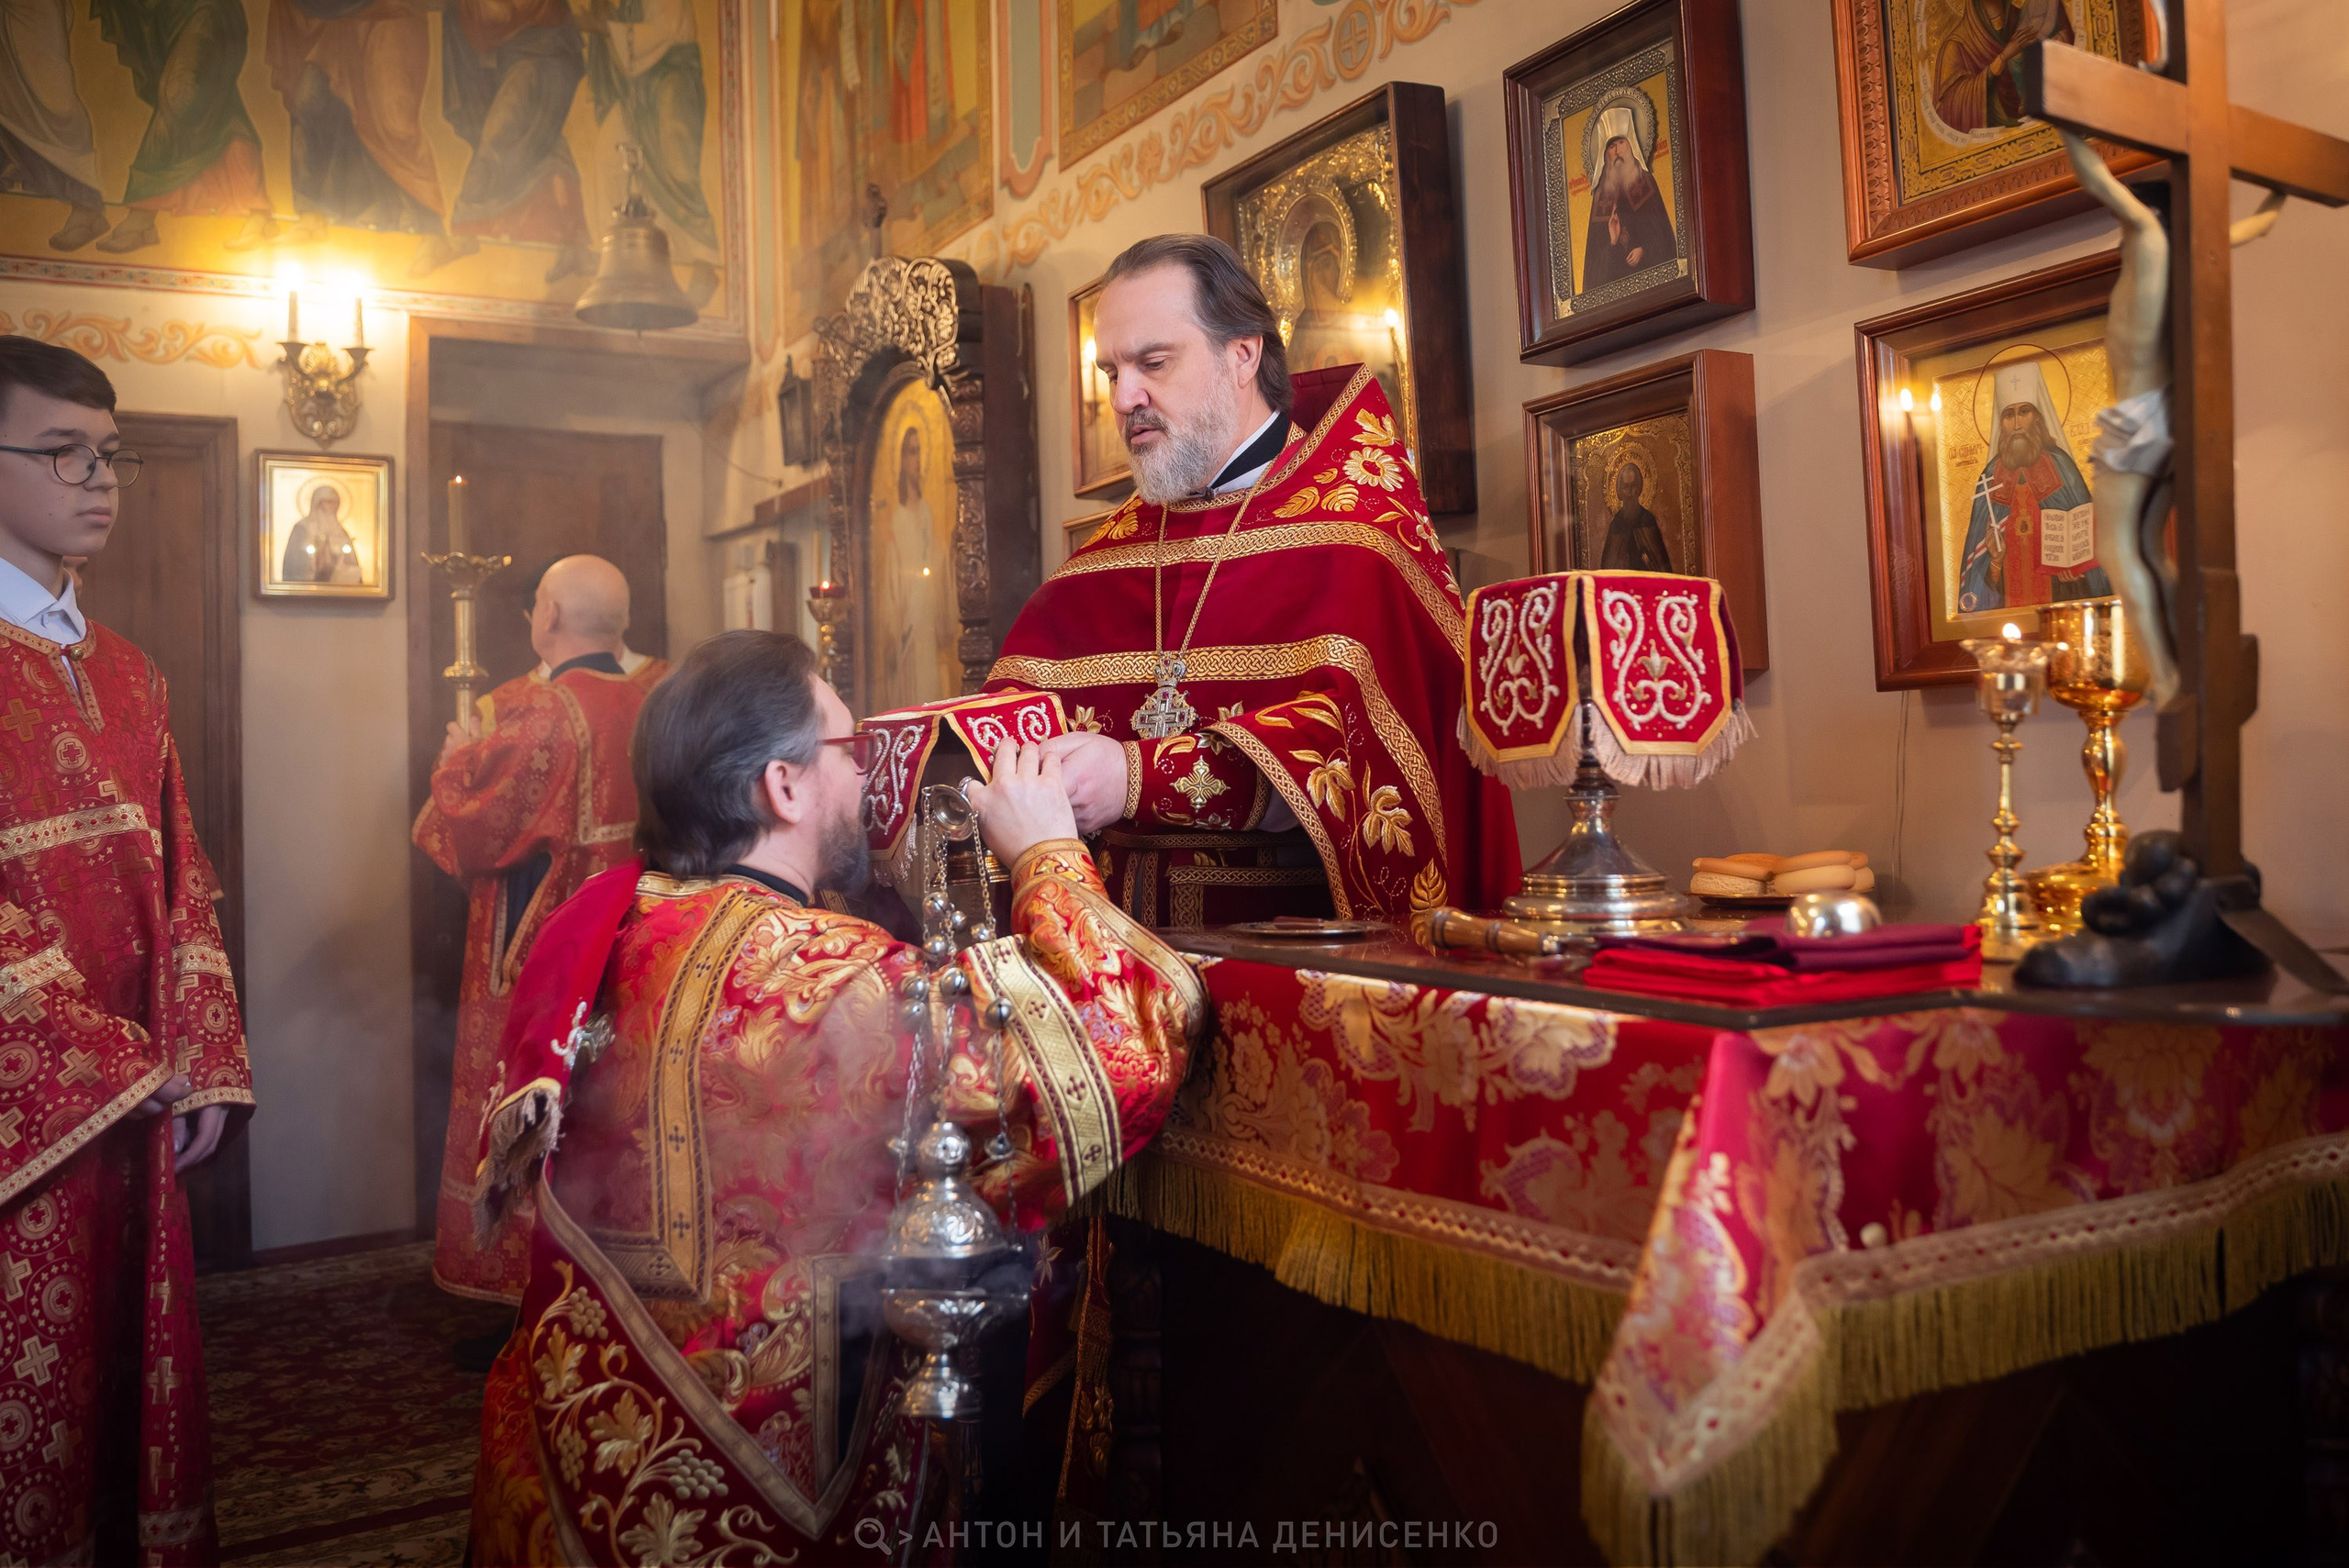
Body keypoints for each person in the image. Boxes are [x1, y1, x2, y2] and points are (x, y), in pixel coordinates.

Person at [464, 630, 1205, 1562]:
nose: (867, 783)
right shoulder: (839, 977)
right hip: (761, 1502)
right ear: (782, 785)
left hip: (566, 1483)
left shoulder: (612, 930)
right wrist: (1049, 852)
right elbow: (1116, 1050)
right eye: (849, 753)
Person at [985, 233, 1520, 929]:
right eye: (1109, 370)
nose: (1123, 397)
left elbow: (1358, 757)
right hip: (1109, 985)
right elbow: (1003, 725)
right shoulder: (1096, 566)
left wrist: (1136, 777)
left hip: (1303, 989)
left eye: (1152, 362)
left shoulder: (1358, 539)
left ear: (1243, 354)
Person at [0, 336, 251, 1563]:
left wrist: (196, 1054)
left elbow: (179, 876)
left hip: (137, 1096)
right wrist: (104, 1061)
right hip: (28, 1116)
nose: (96, 479)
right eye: (60, 452)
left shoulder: (132, 672)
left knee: (114, 1396)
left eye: (110, 455)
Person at [413, 555, 667, 1314]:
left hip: (547, 954)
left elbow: (472, 825)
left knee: (535, 1101)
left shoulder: (546, 713)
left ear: (548, 615)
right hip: (643, 941)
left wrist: (458, 757)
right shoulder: (662, 694)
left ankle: (521, 1286)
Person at [1957, 359, 2110, 614]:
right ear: (2001, 423)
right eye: (2009, 414)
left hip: (2060, 607)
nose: (2016, 423)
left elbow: (2093, 552)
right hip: (2008, 614)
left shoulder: (2061, 466)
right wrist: (1995, 562)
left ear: (2037, 417)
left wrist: (2077, 570)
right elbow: (1976, 575)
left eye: (2024, 411)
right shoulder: (1990, 476)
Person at [1583, 123, 1675, 290]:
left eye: (1621, 142)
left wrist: (1644, 249)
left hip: (1650, 282)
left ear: (1631, 144)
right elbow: (1594, 269)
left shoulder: (1644, 183)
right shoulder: (1601, 199)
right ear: (1606, 156)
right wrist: (1613, 242)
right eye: (1611, 146)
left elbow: (1663, 237)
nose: (1617, 151)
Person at [279, 481, 362, 585]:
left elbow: (352, 563)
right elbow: (293, 563)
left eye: (336, 502)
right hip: (306, 589)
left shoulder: (341, 531)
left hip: (336, 588)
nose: (333, 506)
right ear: (317, 503)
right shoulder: (301, 528)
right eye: (328, 502)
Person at [1599, 462, 1673, 572]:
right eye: (1625, 487)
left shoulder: (1648, 519)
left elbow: (1660, 563)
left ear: (1639, 487)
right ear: (1619, 490)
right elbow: (1609, 565)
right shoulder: (1617, 523)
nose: (1630, 493)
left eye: (1633, 486)